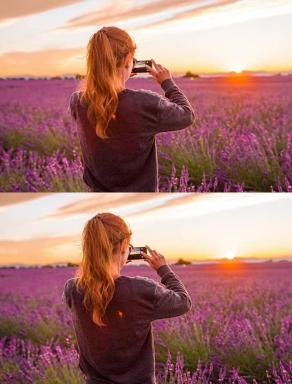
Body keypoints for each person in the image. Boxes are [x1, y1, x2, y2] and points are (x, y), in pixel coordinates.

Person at [64, 212, 192, 383]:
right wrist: (163, 269)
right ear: (125, 245)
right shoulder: (141, 290)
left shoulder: (72, 289)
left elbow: (103, 289)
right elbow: (183, 302)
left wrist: (115, 265)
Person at [69, 26, 196, 192]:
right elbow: (187, 115)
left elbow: (109, 103)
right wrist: (167, 83)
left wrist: (120, 77)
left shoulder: (77, 101)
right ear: (128, 60)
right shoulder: (144, 103)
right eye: (132, 59)